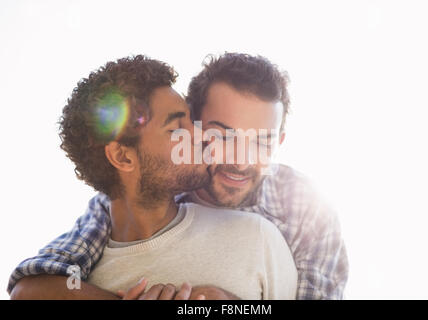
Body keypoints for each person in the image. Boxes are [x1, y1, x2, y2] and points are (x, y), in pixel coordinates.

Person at [9, 53, 348, 300]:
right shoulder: (125, 205)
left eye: (261, 141)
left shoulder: (302, 207)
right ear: (196, 126)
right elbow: (35, 284)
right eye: (223, 136)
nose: (242, 161)